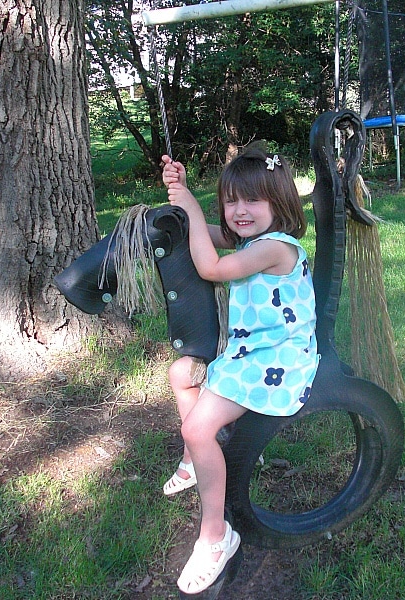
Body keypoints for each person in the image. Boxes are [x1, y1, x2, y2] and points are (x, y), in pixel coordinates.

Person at [160, 143, 320, 594]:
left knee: (196, 428)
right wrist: (182, 198)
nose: (238, 211)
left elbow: (211, 267)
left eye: (252, 200)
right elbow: (213, 237)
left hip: (278, 360)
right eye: (231, 201)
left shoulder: (273, 248)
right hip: (252, 352)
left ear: (280, 202)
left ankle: (216, 536)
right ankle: (197, 460)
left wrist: (188, 204)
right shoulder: (253, 241)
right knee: (180, 375)